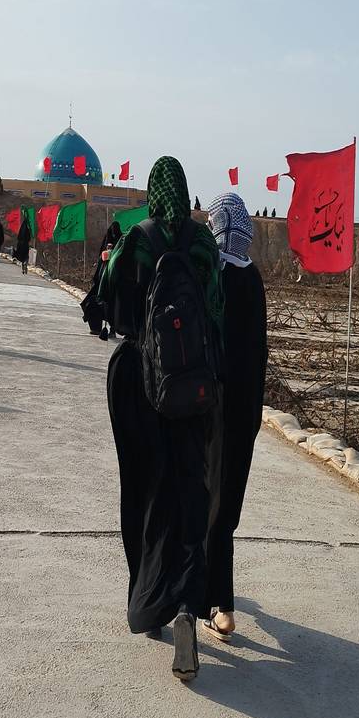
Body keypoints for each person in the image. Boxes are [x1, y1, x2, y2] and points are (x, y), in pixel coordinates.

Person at [97, 155, 222, 682]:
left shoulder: (137, 239)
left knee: (146, 492)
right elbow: (216, 311)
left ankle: (149, 603)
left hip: (142, 389)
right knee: (190, 492)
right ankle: (189, 607)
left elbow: (111, 308)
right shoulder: (203, 244)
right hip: (194, 390)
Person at [199, 192, 266, 645]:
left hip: (210, 407)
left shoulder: (211, 273)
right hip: (245, 411)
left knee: (209, 505)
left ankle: (219, 605)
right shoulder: (253, 277)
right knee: (227, 506)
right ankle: (214, 598)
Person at [80, 221, 122, 338]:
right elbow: (101, 262)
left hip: (112, 280)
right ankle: (105, 328)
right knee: (107, 304)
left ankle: (112, 328)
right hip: (107, 280)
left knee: (110, 305)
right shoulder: (111, 245)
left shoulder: (118, 245)